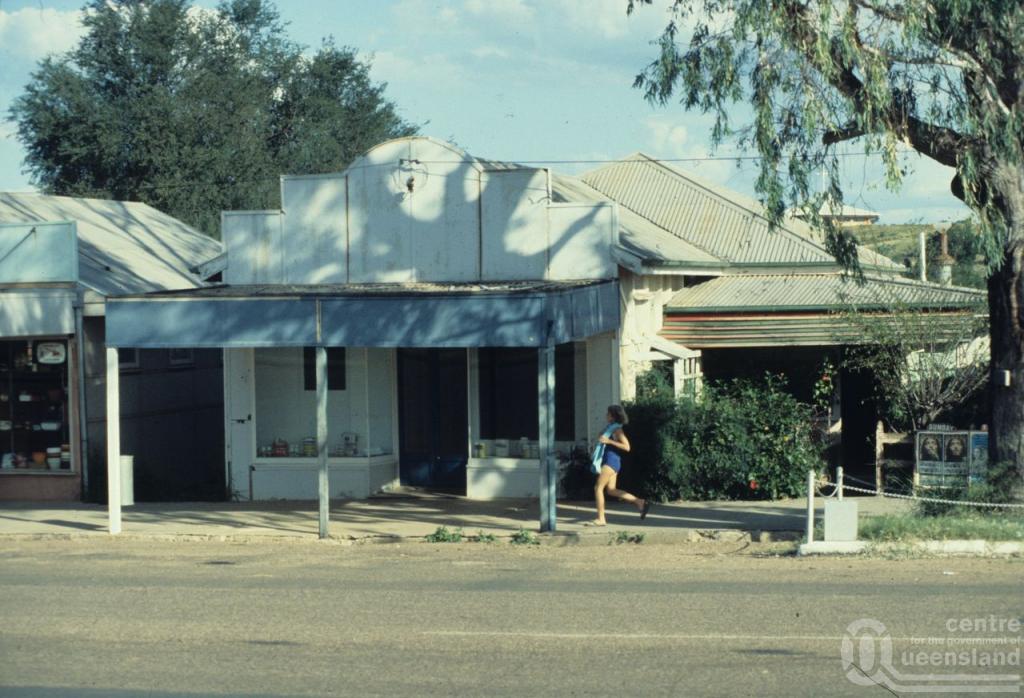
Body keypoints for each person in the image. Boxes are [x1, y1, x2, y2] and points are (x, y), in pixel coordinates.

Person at [588, 404, 650, 526]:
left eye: (608, 413)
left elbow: (627, 447)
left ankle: (601, 519)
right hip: (611, 460)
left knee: (598, 488)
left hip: (611, 461)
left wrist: (609, 441)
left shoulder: (617, 429)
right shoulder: (611, 427)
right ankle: (639, 502)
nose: (606, 415)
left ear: (613, 416)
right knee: (611, 490)